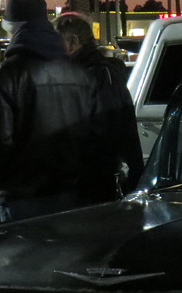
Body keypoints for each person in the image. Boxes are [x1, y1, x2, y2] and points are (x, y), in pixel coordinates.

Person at [0, 0, 126, 222]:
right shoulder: (78, 72)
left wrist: (8, 180)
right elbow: (97, 133)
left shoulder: (8, 73)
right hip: (76, 197)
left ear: (13, 29)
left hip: (25, 199)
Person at [54, 11, 143, 194]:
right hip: (93, 180)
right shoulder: (100, 73)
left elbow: (104, 131)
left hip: (93, 184)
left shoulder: (95, 76)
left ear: (72, 42)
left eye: (56, 43)